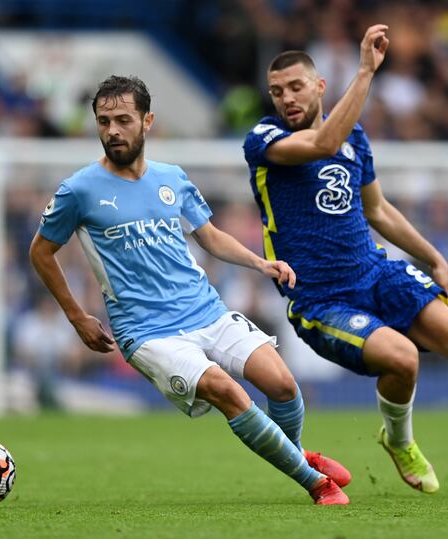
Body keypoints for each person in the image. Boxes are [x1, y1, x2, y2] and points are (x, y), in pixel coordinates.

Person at [242, 33, 448, 493]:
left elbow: (377, 209)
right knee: (403, 359)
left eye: (295, 87)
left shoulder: (353, 135)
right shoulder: (264, 139)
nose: (286, 98)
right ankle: (399, 441)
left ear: (319, 86)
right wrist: (365, 72)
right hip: (320, 299)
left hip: (375, 273)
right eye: (277, 91)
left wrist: (431, 253)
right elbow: (321, 144)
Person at [30, 75, 354, 505]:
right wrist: (76, 316)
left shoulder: (172, 178)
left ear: (147, 121)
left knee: (281, 384)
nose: (112, 130)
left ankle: (294, 455)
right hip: (147, 332)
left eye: (123, 120)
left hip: (206, 311)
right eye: (104, 121)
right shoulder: (78, 191)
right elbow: (41, 252)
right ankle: (314, 482)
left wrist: (260, 263)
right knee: (227, 392)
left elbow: (209, 236)